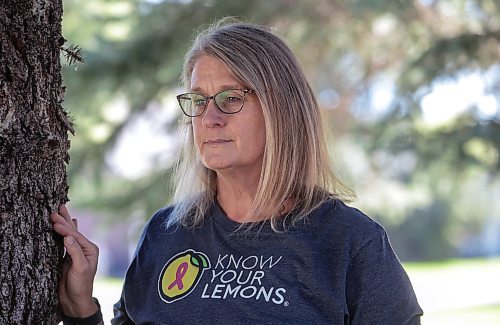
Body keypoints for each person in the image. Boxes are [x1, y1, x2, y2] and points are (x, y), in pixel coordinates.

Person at [51, 19, 423, 324]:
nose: (209, 119)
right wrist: (81, 307)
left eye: (230, 98)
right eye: (198, 100)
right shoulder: (166, 235)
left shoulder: (351, 243)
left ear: (281, 109)